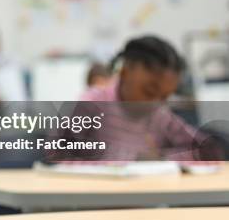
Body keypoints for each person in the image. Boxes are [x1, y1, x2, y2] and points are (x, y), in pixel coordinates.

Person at [78, 35, 219, 161]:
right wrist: (133, 159)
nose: (155, 103)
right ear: (125, 72)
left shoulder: (160, 115)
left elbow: (206, 149)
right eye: (149, 92)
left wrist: (163, 159)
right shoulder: (92, 102)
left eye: (164, 97)